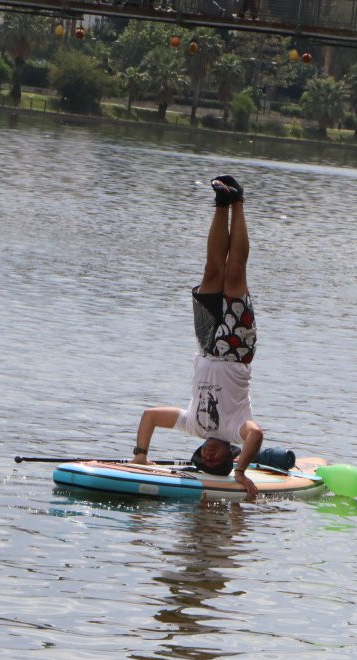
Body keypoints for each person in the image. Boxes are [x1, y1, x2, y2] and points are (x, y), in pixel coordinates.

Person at [131, 175, 264, 500]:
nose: (208, 456)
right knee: (235, 274)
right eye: (215, 460)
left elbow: (149, 416)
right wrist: (241, 472)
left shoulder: (195, 426)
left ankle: (221, 202)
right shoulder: (236, 429)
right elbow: (256, 435)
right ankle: (239, 201)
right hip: (236, 349)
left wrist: (140, 455)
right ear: (230, 455)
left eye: (204, 458)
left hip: (206, 344)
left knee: (210, 271)